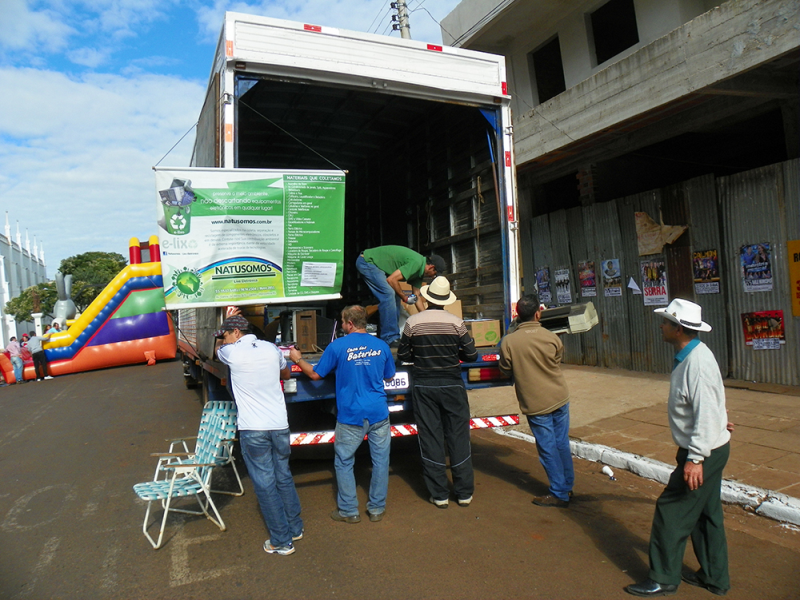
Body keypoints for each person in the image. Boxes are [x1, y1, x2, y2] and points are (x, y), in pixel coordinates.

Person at [625, 299, 733, 597]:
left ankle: (663, 577)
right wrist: (720, 423)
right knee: (705, 513)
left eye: (666, 322)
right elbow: (709, 404)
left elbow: (707, 407)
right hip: (712, 443)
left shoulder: (696, 363)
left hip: (703, 452)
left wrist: (695, 459)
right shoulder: (693, 354)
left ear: (679, 329)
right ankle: (714, 577)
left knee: (671, 510)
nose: (661, 325)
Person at [290, 306, 396, 523]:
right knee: (380, 461)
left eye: (342, 321)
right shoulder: (382, 345)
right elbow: (389, 376)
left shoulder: (337, 346)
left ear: (349, 323)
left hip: (351, 415)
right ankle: (376, 508)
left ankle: (349, 511)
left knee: (344, 461)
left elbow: (315, 375)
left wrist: (297, 359)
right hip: (378, 412)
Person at [214, 312, 304, 556]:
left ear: (236, 333)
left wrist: (223, 333)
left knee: (265, 484)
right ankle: (295, 527)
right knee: (283, 475)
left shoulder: (230, 352)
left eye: (226, 335)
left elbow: (217, 349)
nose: (224, 339)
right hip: (279, 425)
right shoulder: (272, 349)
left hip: (254, 428)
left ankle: (282, 541)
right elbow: (285, 374)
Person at [397, 276, 477, 508]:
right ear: (445, 300)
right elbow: (471, 355)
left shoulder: (414, 322)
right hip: (452, 384)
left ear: (427, 297)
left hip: (424, 385)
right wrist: (455, 356)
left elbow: (403, 356)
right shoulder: (456, 322)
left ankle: (440, 495)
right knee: (458, 436)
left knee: (430, 437)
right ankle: (463, 493)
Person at [498, 293, 573, 508]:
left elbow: (504, 370)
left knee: (548, 446)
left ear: (517, 315)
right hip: (559, 396)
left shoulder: (509, 342)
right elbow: (557, 359)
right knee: (561, 444)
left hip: (536, 402)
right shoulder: (551, 337)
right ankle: (566, 486)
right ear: (538, 314)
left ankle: (559, 492)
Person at [355, 245, 445, 346]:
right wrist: (404, 297)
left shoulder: (419, 272)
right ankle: (389, 337)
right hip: (367, 262)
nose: (433, 276)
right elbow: (391, 279)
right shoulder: (416, 263)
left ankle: (392, 335)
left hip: (375, 265)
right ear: (431, 267)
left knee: (395, 296)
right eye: (434, 273)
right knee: (389, 294)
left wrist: (427, 318)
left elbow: (416, 297)